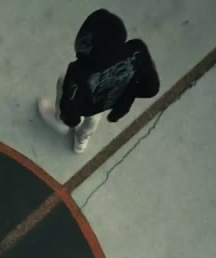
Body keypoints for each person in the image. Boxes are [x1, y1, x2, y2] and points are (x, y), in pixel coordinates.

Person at [37, 9, 160, 153]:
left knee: (63, 80)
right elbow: (152, 88)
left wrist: (69, 120)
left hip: (86, 102)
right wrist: (127, 94)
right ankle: (82, 138)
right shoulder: (136, 50)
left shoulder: (77, 72)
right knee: (94, 117)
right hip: (109, 99)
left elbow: (70, 112)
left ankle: (59, 121)